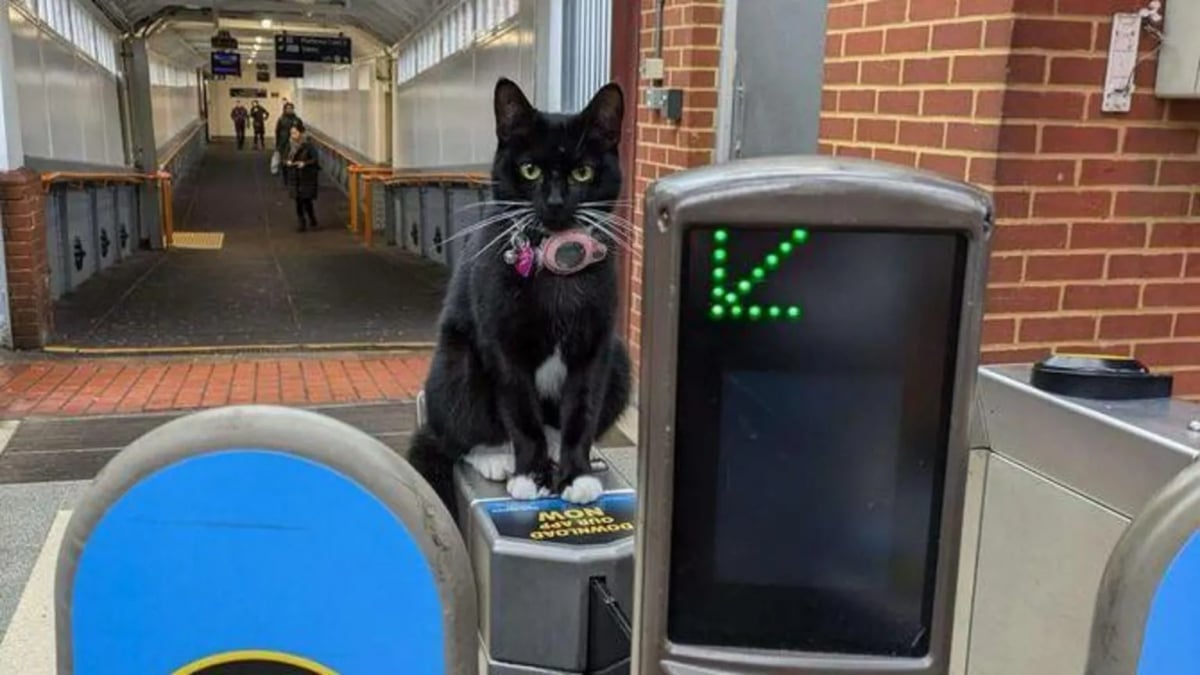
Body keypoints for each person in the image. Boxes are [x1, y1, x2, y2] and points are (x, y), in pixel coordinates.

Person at [286, 122, 320, 232]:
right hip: (295, 176)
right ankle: (302, 222)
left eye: (295, 133)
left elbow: (315, 159)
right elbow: (285, 156)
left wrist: (304, 163)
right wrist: (287, 162)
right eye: (291, 133)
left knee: (306, 200)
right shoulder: (290, 145)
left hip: (306, 177)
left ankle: (311, 218)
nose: (292, 135)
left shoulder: (308, 145)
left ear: (301, 133)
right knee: (298, 201)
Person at [275, 102, 302, 184]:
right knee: (284, 161)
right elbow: (277, 131)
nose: (289, 110)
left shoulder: (297, 120)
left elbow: (301, 130)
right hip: (283, 143)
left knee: (295, 160)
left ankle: (294, 178)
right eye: (287, 109)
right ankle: (285, 178)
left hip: (295, 143)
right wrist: (277, 145)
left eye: (291, 108)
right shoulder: (281, 119)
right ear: (285, 110)